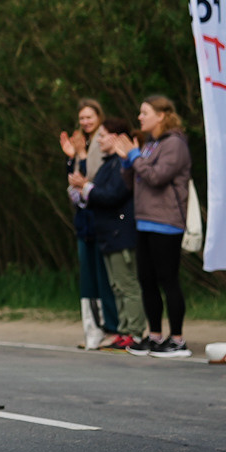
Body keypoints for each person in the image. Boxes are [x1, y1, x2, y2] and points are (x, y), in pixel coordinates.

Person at [127, 96, 194, 356]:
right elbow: (135, 179)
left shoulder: (174, 144)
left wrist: (133, 156)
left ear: (162, 116)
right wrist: (126, 160)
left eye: (145, 113)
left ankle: (177, 340)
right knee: (147, 280)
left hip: (166, 222)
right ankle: (154, 336)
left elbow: (156, 177)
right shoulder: (150, 145)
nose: (140, 117)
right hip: (144, 220)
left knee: (168, 280)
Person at [63, 99, 119, 348]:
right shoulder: (83, 142)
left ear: (99, 117)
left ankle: (112, 328)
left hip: (100, 219)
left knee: (104, 277)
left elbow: (93, 179)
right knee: (88, 279)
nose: (86, 122)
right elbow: (75, 179)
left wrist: (83, 157)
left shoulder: (101, 142)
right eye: (82, 118)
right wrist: (71, 158)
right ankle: (93, 331)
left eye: (90, 117)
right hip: (83, 221)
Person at [82, 116, 141, 349]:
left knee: (128, 285)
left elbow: (114, 194)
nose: (98, 140)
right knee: (117, 286)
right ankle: (123, 330)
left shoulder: (122, 163)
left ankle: (135, 332)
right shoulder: (109, 163)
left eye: (103, 135)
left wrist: (87, 189)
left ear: (116, 137)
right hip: (108, 233)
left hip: (121, 232)